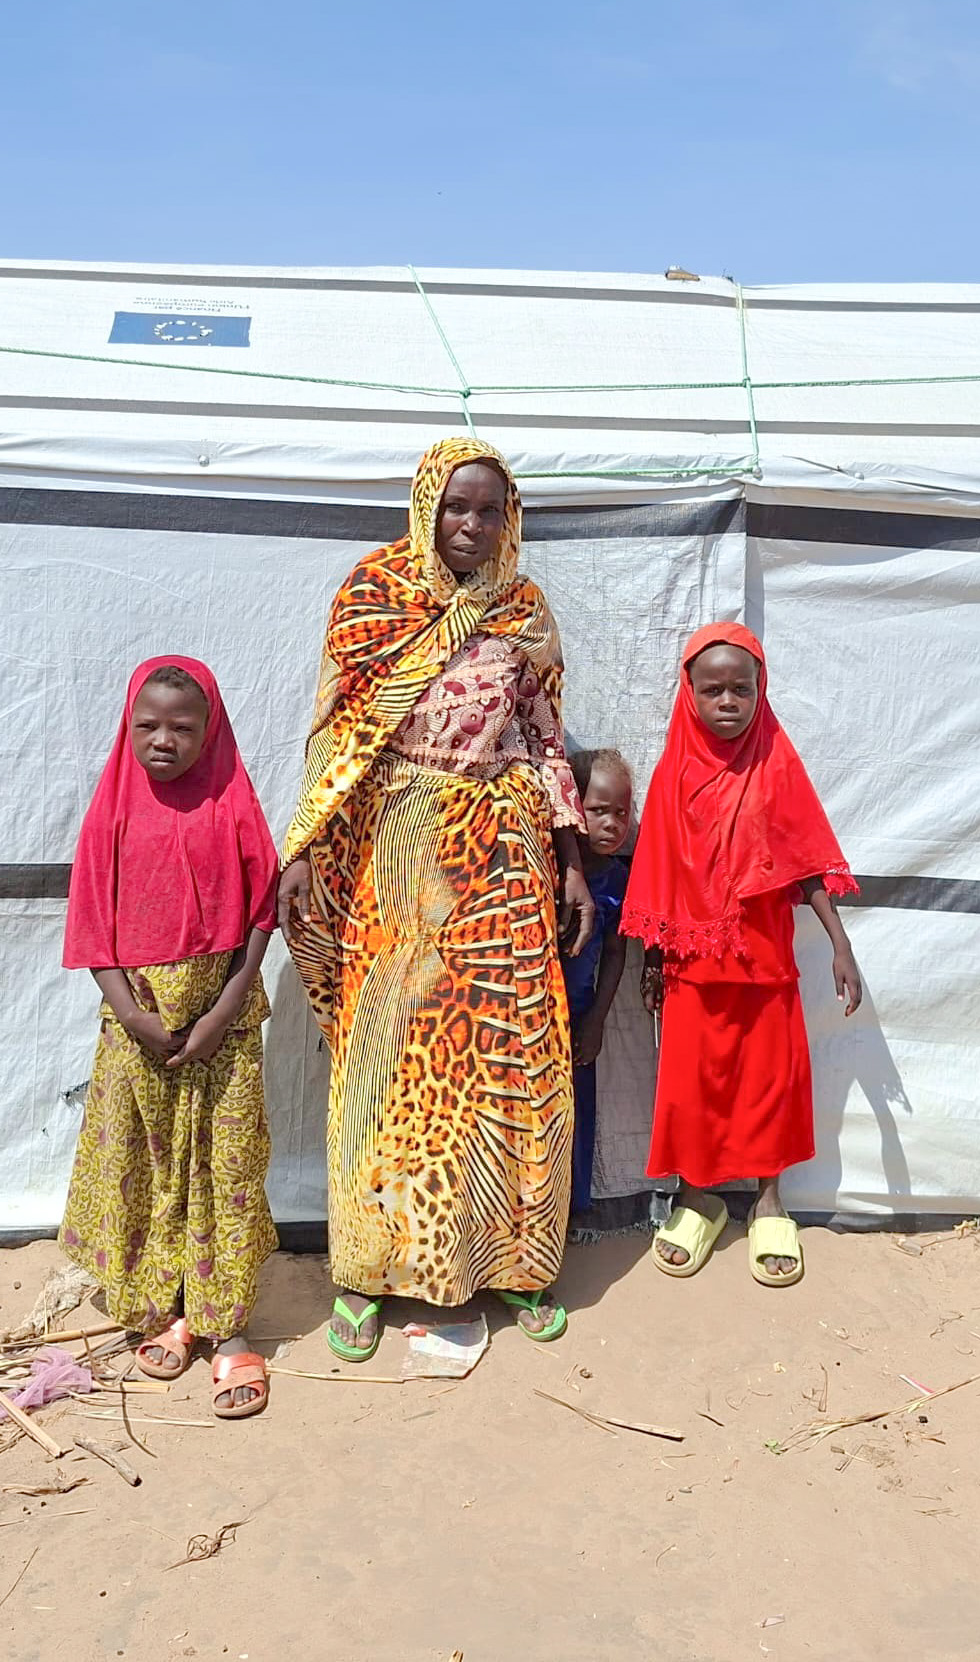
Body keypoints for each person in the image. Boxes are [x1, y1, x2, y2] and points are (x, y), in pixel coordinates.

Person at [278, 436, 595, 1361]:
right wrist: (302, 846)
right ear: (426, 505)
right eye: (457, 506)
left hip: (500, 859)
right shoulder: (373, 596)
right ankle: (367, 1274)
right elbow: (336, 732)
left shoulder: (525, 611)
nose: (471, 524)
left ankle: (516, 1265)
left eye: (489, 509)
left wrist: (569, 857)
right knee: (390, 1067)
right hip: (398, 857)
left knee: (510, 1064)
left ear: (511, 518)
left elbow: (543, 739)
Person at [58, 656, 281, 1419]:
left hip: (224, 1029)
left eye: (183, 728)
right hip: (139, 1031)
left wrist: (221, 1012)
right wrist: (133, 1016)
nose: (164, 740)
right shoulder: (112, 814)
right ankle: (169, 1306)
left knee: (224, 1172)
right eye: (147, 725)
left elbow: (259, 918)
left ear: (210, 731)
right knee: (151, 1169)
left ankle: (228, 1330)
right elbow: (91, 927)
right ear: (129, 726)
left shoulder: (234, 809)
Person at [624, 623, 865, 1288]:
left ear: (762, 692)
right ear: (689, 694)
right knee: (693, 1089)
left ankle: (767, 1200)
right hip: (692, 966)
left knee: (770, 1086)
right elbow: (659, 872)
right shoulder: (675, 772)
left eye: (742, 688)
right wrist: (651, 958)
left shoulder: (777, 764)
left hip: (763, 963)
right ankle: (699, 1196)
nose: (728, 701)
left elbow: (808, 861)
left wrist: (841, 945)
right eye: (713, 690)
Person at [562, 747, 636, 1217]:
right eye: (598, 810)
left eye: (622, 813)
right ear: (572, 809)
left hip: (578, 1016)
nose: (612, 823)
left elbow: (614, 952)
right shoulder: (546, 870)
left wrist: (597, 1021)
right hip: (526, 1017)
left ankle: (569, 1210)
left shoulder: (616, 879)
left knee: (574, 1115)